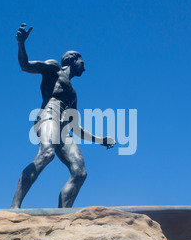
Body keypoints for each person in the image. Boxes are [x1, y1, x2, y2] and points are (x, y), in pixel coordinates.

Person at [11, 24, 115, 209]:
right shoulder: (54, 68)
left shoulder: (73, 94)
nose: (85, 67)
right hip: (48, 116)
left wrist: (100, 140)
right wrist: (21, 43)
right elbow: (25, 66)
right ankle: (15, 207)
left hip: (64, 129)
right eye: (83, 62)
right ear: (73, 59)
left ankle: (63, 215)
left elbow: (75, 127)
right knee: (47, 154)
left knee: (80, 172)